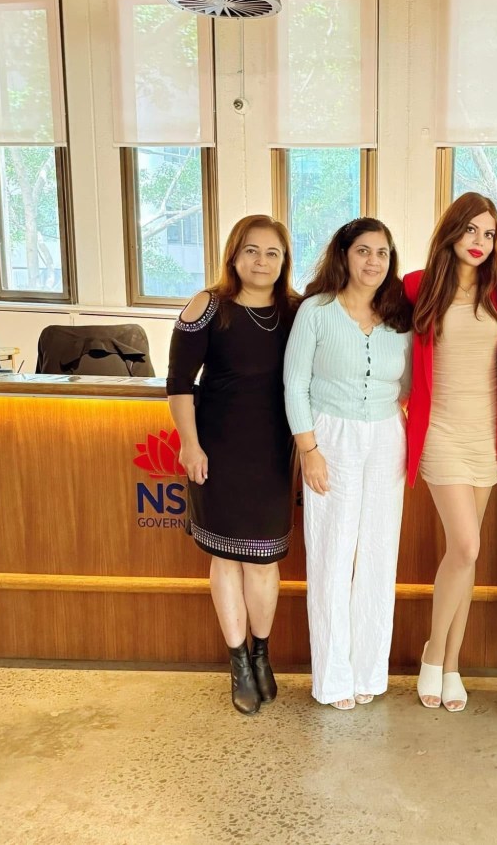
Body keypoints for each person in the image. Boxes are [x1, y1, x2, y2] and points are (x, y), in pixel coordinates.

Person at [167, 215, 299, 715]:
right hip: (216, 450)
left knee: (264, 560)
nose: (261, 261)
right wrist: (190, 444)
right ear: (234, 255)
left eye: (272, 252)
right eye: (251, 250)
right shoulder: (207, 306)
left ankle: (262, 654)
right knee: (225, 558)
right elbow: (179, 383)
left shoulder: (296, 311)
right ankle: (239, 662)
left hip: (272, 452)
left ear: (284, 261)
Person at [283, 218, 413, 710]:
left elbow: (407, 387)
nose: (373, 261)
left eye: (382, 253)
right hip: (329, 438)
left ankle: (368, 672)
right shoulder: (316, 311)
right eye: (363, 251)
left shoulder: (399, 318)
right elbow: (294, 384)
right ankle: (334, 678)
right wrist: (309, 450)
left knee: (379, 555)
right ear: (344, 255)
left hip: (386, 437)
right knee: (331, 556)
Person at [404, 191, 497, 712]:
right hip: (440, 432)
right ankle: (433, 653)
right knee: (468, 546)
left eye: (489, 233)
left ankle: (452, 663)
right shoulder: (417, 286)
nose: (479, 241)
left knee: (463, 552)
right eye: (471, 230)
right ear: (451, 231)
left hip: (488, 435)